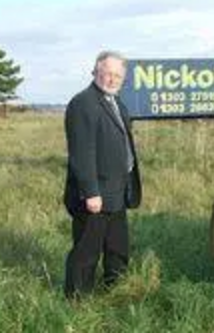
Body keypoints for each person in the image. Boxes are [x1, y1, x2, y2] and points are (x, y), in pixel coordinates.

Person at [63, 50, 142, 298]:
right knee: (87, 250)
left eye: (117, 75)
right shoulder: (83, 103)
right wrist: (91, 192)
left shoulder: (117, 103)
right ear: (95, 72)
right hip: (95, 195)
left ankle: (115, 290)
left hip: (117, 191)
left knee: (117, 247)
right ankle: (77, 300)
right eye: (107, 73)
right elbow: (81, 152)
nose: (112, 79)